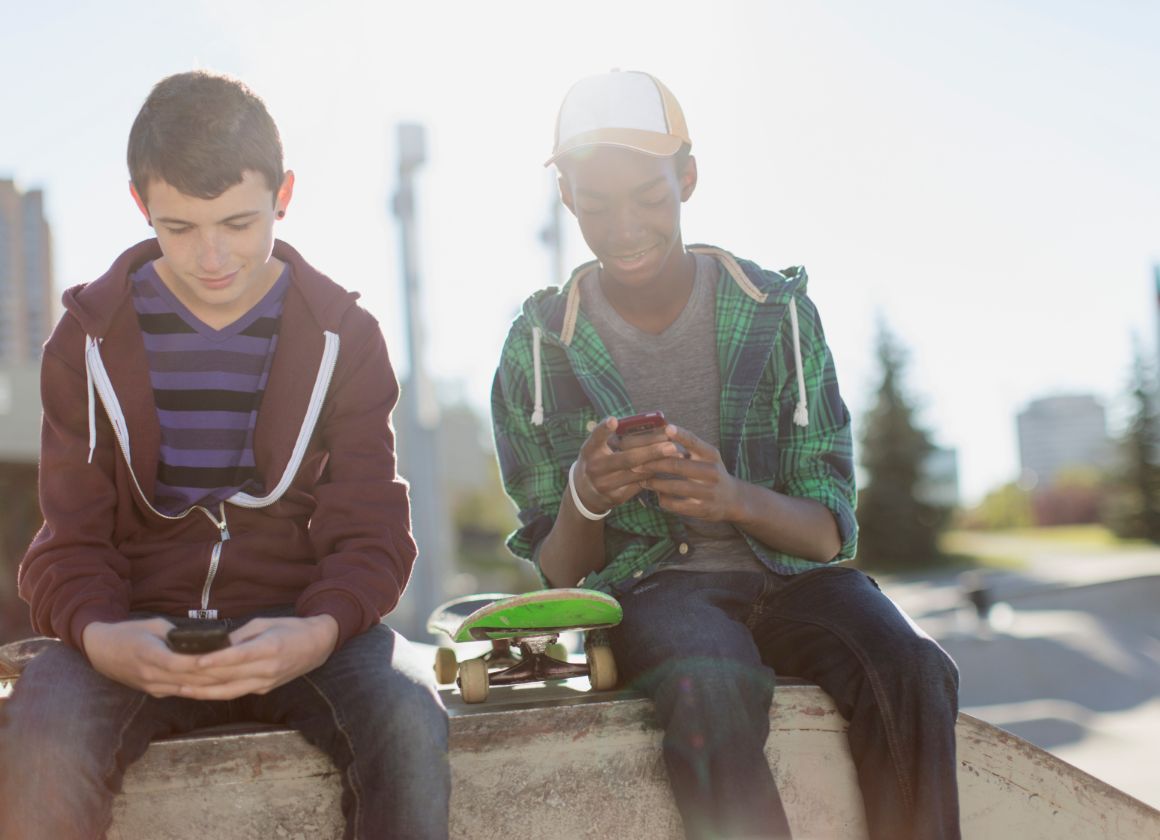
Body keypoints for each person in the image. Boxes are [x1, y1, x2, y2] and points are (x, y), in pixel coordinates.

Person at [491, 69, 961, 840]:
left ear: (687, 177)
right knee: (709, 679)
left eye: (648, 197)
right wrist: (585, 495)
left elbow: (828, 534)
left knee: (911, 668)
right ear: (567, 197)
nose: (624, 226)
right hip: (657, 591)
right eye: (597, 203)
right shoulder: (538, 350)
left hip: (796, 582)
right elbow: (561, 578)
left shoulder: (778, 315)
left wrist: (732, 497)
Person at [0, 71, 449, 840]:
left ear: (284, 194)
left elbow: (372, 530)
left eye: (239, 223)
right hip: (133, 632)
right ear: (141, 205)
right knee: (41, 736)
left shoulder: (346, 338)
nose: (211, 257)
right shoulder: (85, 341)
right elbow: (70, 538)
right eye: (179, 227)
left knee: (409, 717)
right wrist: (102, 637)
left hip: (303, 630)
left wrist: (319, 631)